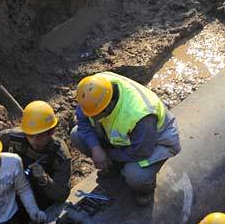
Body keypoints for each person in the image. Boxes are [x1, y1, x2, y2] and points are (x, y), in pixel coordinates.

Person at [71, 72, 181, 205]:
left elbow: (141, 152)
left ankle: (146, 188)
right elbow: (83, 121)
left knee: (135, 175)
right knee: (76, 135)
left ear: (109, 105)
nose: (93, 118)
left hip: (155, 142)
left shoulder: (140, 115)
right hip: (124, 139)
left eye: (97, 115)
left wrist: (107, 155)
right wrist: (96, 148)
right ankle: (114, 168)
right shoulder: (93, 90)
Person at [0, 100, 72, 210]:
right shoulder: (11, 137)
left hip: (42, 195)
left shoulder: (60, 154)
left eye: (39, 136)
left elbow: (62, 195)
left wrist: (45, 180)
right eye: (30, 136)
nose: (34, 141)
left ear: (51, 131)